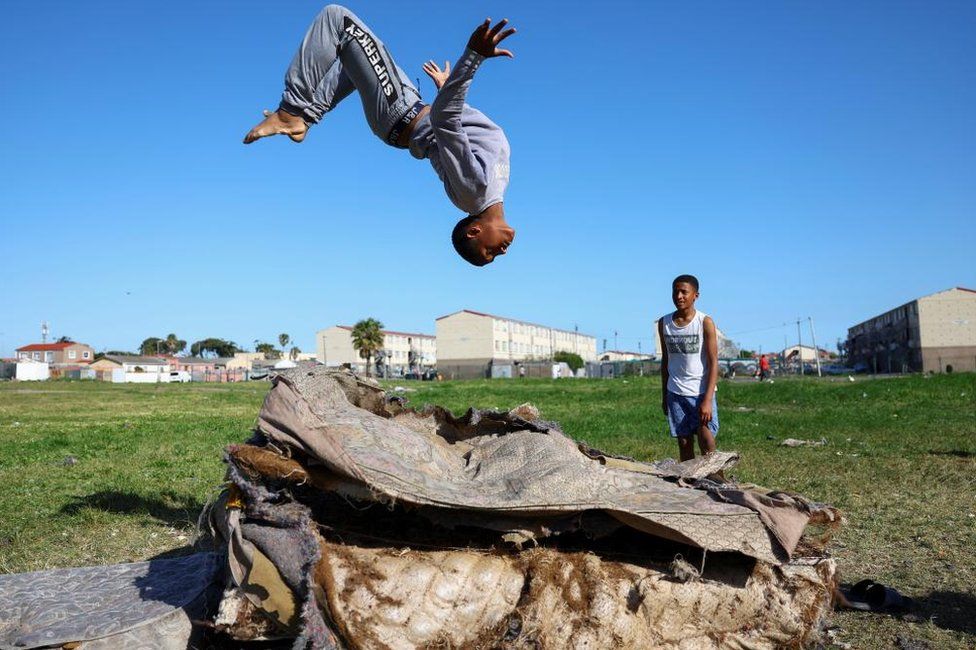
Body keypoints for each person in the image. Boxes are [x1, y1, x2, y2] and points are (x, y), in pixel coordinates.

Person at [243, 4, 517, 267]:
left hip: (400, 112)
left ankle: (292, 112)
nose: (500, 253)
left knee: (337, 19)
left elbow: (445, 119)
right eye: (492, 254)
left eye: (488, 253)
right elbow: (462, 128)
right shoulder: (493, 187)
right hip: (408, 106)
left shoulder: (474, 192)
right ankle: (305, 117)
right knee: (351, 55)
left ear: (474, 231)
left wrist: (472, 58)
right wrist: (447, 88)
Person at [658, 274, 720, 462]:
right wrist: (664, 396)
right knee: (684, 444)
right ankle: (691, 484)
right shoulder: (664, 323)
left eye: (684, 292)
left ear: (696, 296)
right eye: (675, 292)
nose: (679, 296)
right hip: (675, 392)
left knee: (705, 436)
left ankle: (717, 479)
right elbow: (666, 360)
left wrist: (708, 399)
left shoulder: (704, 322)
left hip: (700, 392)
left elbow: (713, 361)